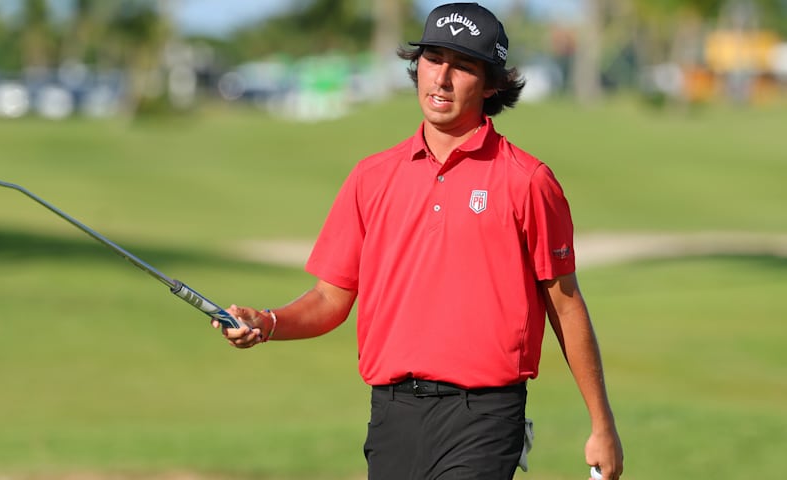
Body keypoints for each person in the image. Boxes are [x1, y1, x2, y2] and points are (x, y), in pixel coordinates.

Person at [218, 3, 624, 479]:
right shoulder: (372, 177)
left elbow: (565, 303)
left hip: (485, 417)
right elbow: (330, 298)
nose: (442, 78)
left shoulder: (527, 180)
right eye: (433, 59)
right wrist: (267, 322)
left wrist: (602, 424)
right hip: (392, 415)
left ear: (492, 84)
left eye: (464, 66)